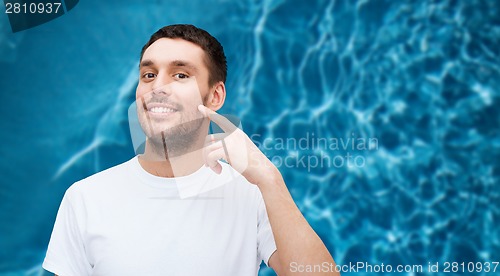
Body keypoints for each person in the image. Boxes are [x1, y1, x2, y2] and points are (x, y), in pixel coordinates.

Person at [43, 24, 339, 276]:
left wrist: (269, 179)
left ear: (215, 96)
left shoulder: (251, 194)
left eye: (180, 75)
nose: (158, 87)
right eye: (148, 75)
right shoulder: (85, 198)